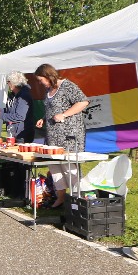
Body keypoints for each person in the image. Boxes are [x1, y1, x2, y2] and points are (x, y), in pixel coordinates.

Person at [33, 62, 90, 210]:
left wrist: (64, 114)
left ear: (48, 76)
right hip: (53, 136)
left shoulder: (67, 86)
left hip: (68, 136)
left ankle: (79, 200)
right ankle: (61, 198)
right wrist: (44, 119)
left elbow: (83, 102)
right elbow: (52, 109)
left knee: (68, 168)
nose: (40, 83)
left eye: (41, 80)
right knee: (54, 167)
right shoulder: (49, 90)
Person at [0, 70, 36, 143]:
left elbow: (19, 116)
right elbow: (11, 110)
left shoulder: (24, 96)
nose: (7, 84)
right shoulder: (13, 95)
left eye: (8, 82)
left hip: (22, 135)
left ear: (14, 82)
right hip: (14, 133)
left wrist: (1, 115)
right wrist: (0, 110)